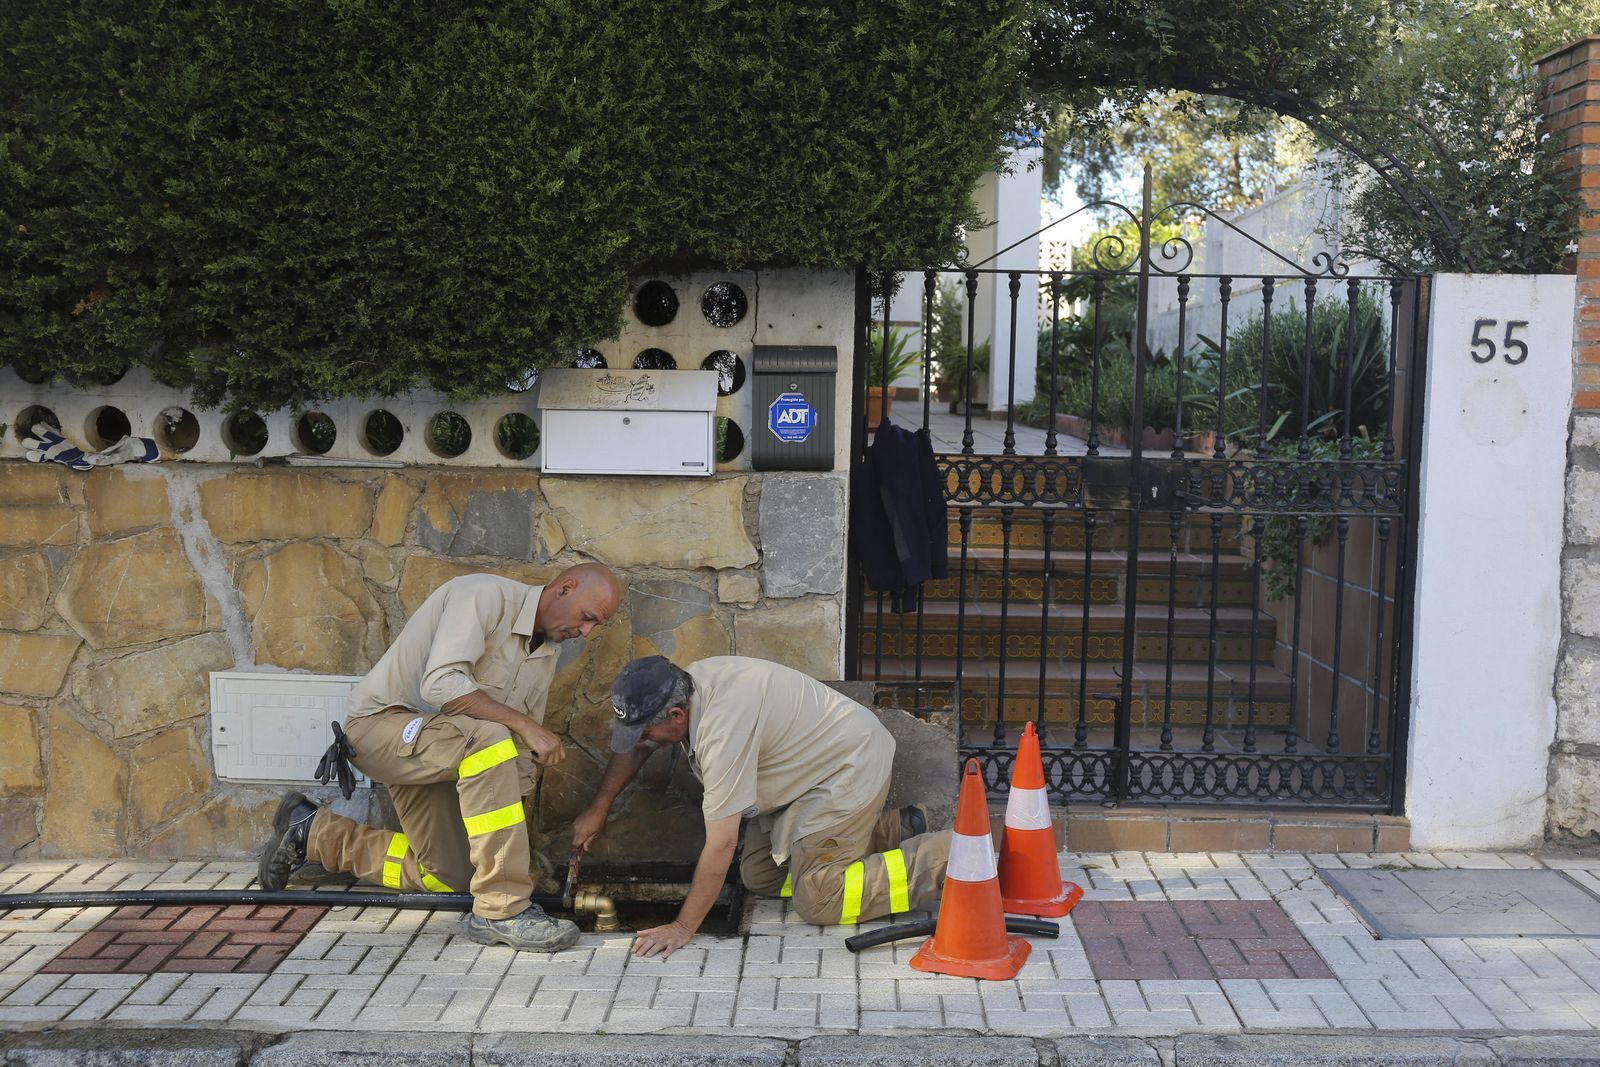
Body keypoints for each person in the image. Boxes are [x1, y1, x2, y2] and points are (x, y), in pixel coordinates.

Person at [258, 563, 622, 953]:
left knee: (454, 877)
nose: (586, 632)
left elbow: (515, 754)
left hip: (440, 753)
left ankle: (313, 833)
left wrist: (512, 853)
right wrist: (524, 724)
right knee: (490, 736)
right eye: (587, 617)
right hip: (380, 729)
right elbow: (442, 685)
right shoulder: (484, 596)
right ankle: (501, 910)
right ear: (565, 588)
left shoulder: (546, 651)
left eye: (595, 626)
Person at [574, 655, 950, 957]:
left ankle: (946, 856)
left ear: (676, 717)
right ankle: (900, 828)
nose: (643, 740)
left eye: (645, 731)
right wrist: (599, 808)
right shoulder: (678, 686)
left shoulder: (721, 733)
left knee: (819, 899)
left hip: (846, 768)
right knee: (759, 875)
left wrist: (683, 927)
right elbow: (638, 746)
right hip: (802, 777)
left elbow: (721, 844)